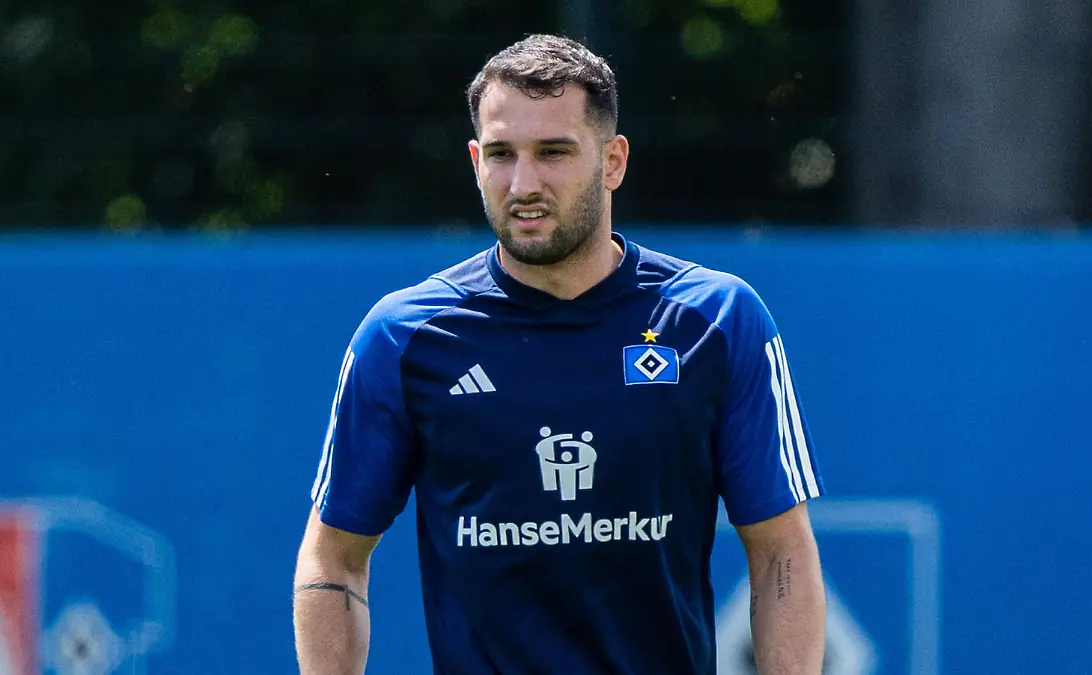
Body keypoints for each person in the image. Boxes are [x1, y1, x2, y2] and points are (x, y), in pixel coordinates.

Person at [292, 33, 827, 675]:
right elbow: (334, 557)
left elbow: (780, 555)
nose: (524, 183)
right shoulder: (405, 336)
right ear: (475, 161)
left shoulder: (716, 322)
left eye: (553, 152)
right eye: (500, 154)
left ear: (613, 161)